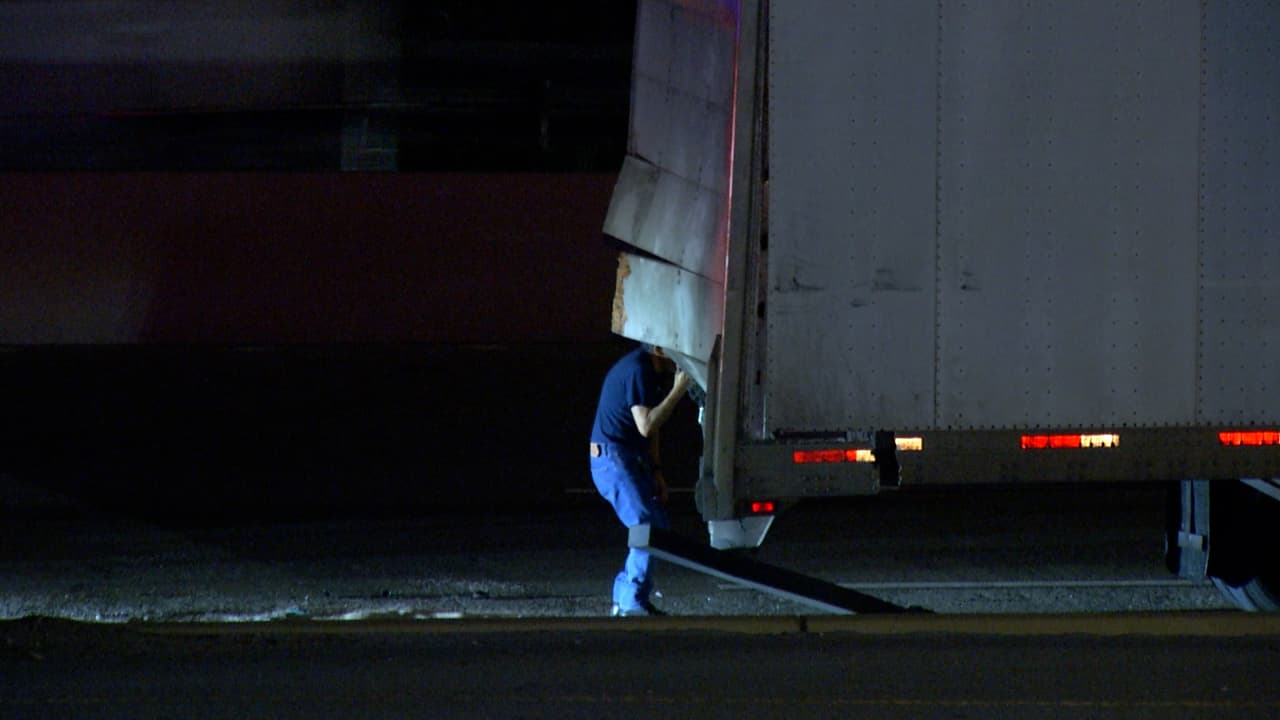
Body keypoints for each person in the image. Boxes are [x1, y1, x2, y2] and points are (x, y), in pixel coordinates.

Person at [589, 342, 690, 616]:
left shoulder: (651, 371)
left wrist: (656, 469)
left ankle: (625, 596)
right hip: (611, 459)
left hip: (626, 457)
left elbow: (651, 428)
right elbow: (646, 425)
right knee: (646, 526)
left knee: (657, 526)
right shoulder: (638, 370)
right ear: (658, 348)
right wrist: (679, 389)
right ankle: (631, 601)